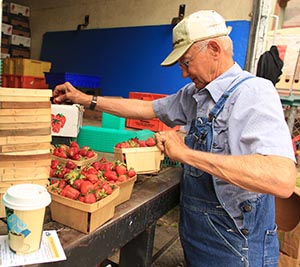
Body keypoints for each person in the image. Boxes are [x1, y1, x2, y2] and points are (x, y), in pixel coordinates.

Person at [53, 10, 297, 267]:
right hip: (198, 235)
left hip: (236, 245)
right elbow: (146, 109)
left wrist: (185, 153)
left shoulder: (253, 93)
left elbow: (280, 178)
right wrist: (85, 100)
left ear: (214, 48)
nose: (183, 73)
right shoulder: (196, 93)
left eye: (186, 62)